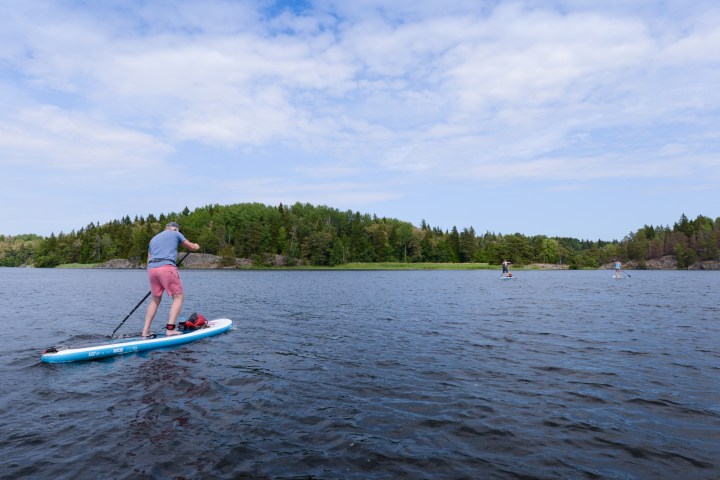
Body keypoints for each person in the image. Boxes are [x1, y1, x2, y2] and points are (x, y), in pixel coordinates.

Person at [142, 222, 200, 336]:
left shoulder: (153, 239)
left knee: (155, 299)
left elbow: (148, 259)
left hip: (152, 269)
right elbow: (192, 247)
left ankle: (145, 331)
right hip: (167, 268)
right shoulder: (175, 234)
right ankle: (170, 329)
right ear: (174, 228)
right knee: (178, 297)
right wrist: (196, 246)